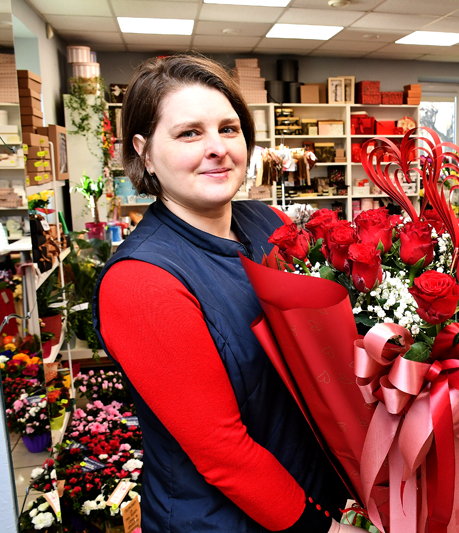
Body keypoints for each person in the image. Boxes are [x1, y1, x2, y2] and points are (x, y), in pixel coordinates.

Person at [92, 54, 359, 532]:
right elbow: (223, 454)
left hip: (317, 490)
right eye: (189, 133)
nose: (217, 147)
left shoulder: (268, 224)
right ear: (145, 151)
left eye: (229, 128)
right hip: (229, 519)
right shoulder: (142, 282)